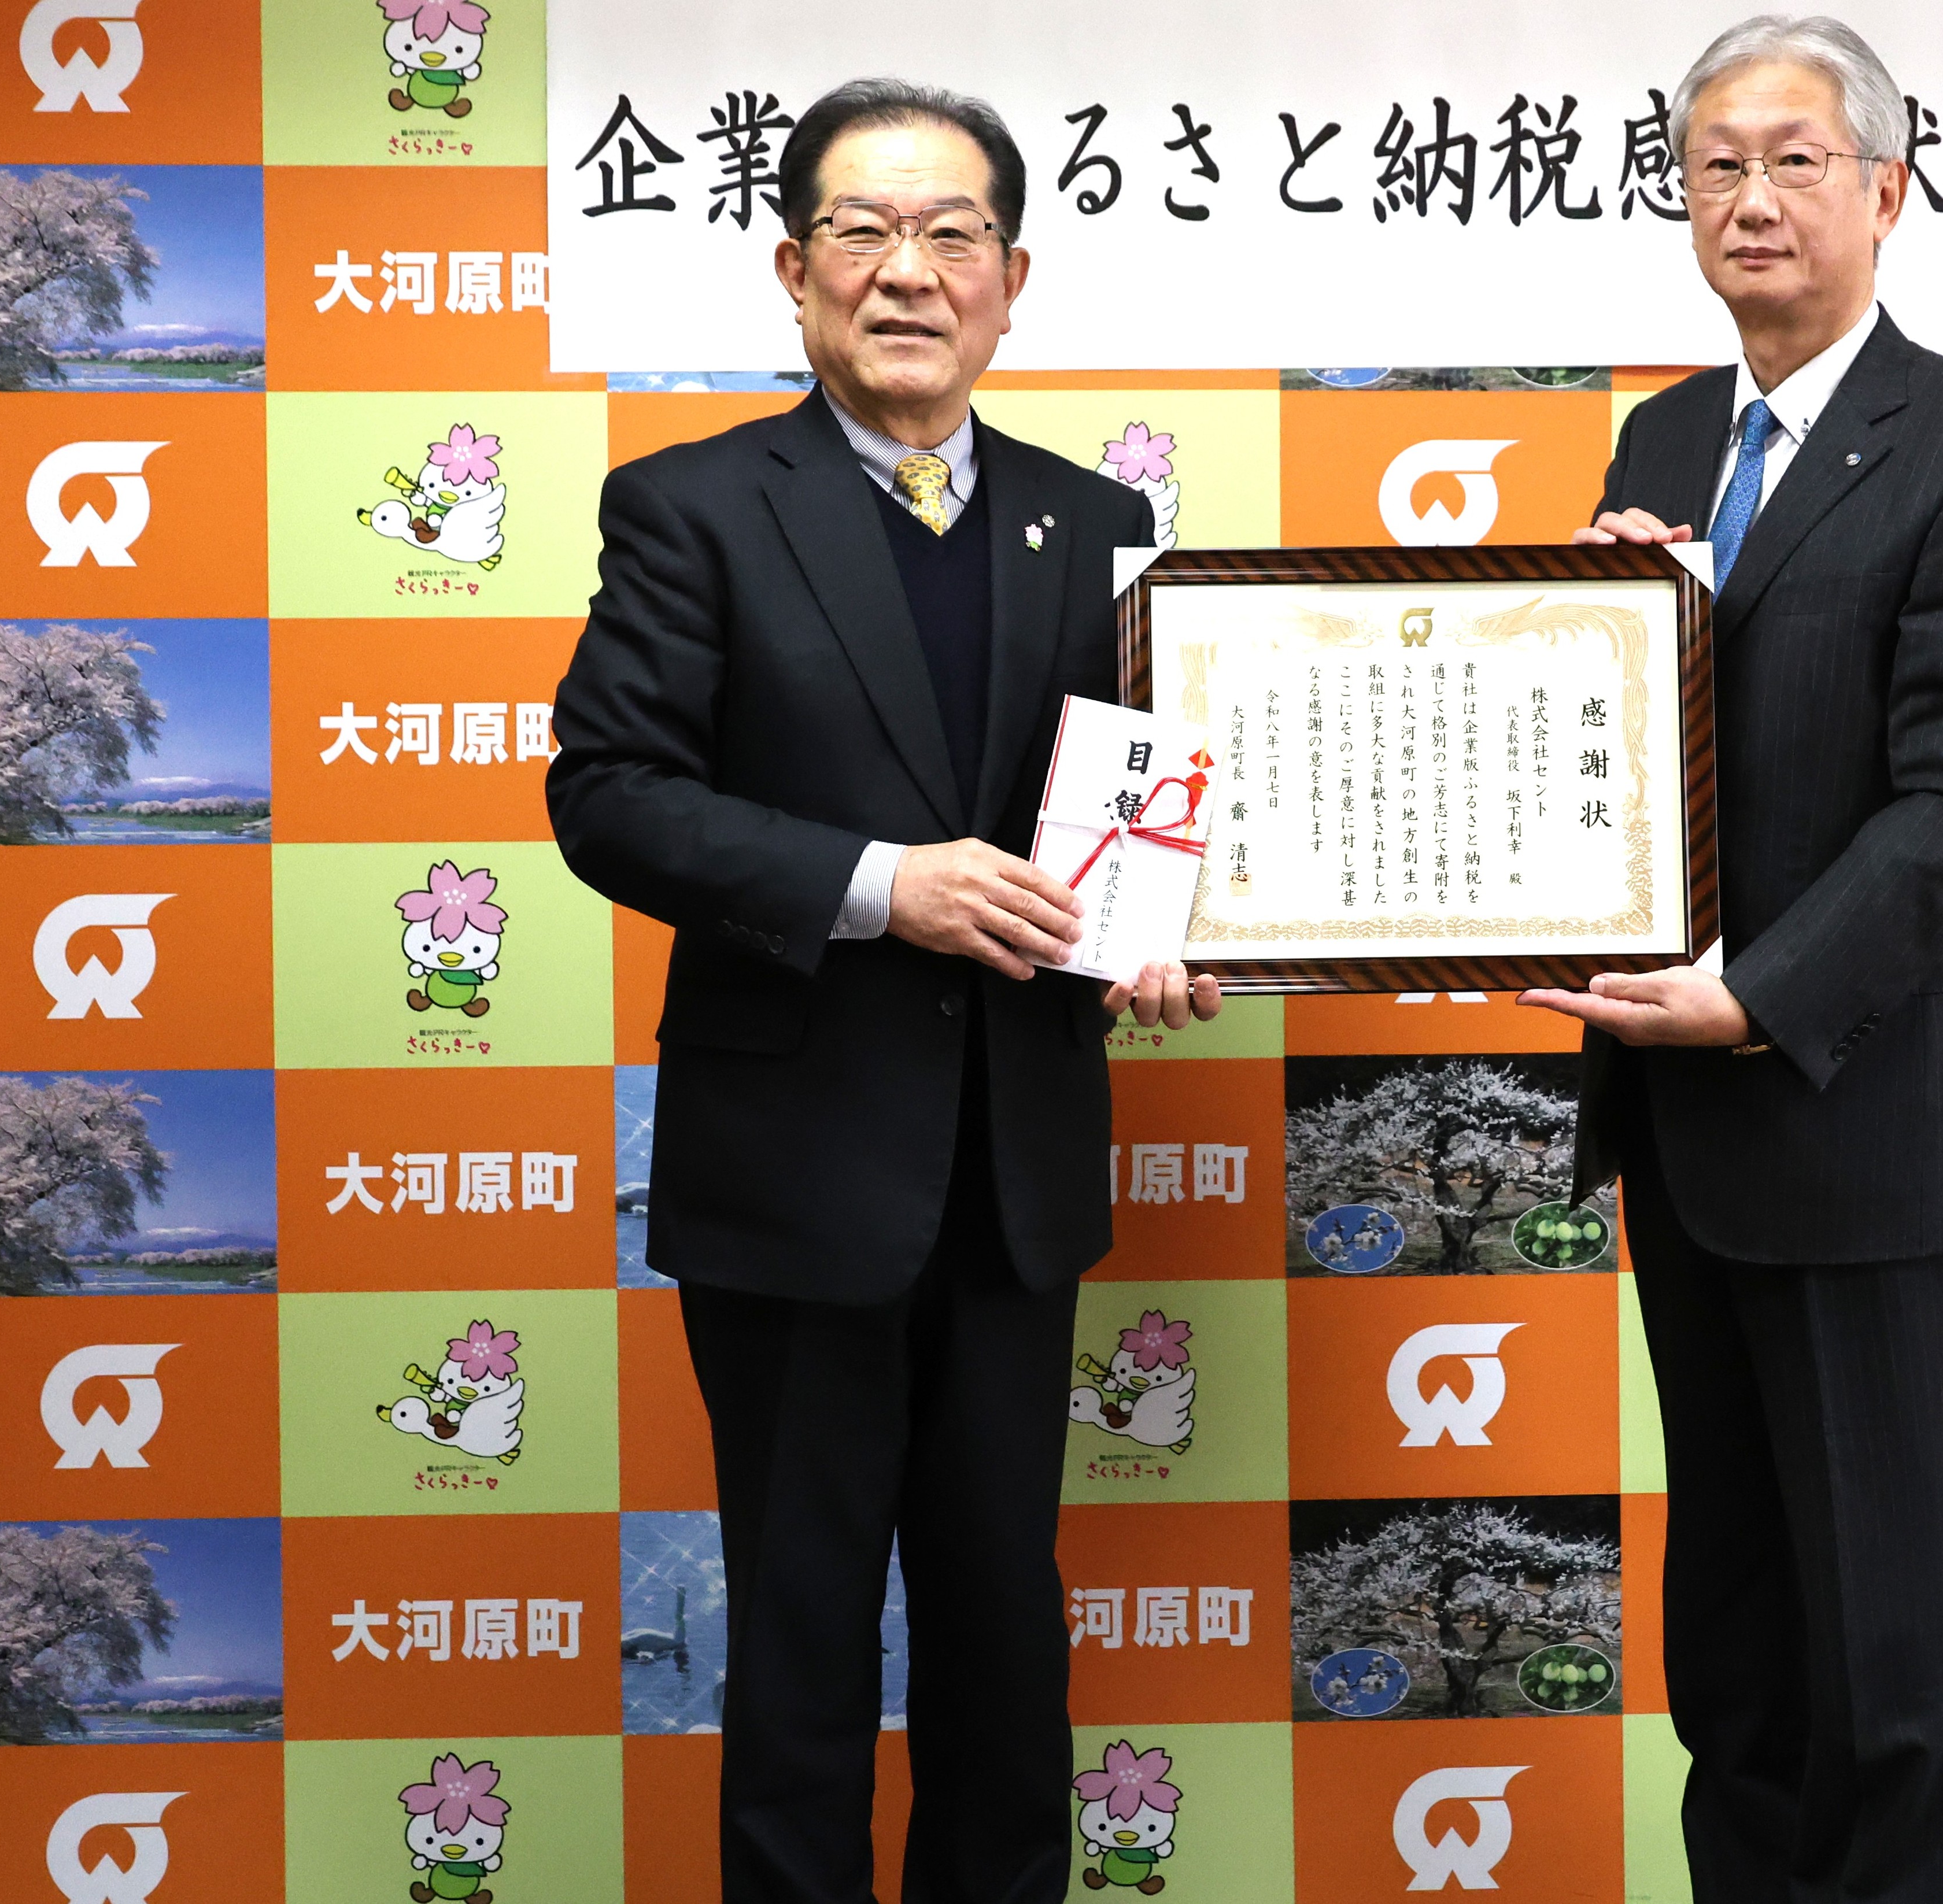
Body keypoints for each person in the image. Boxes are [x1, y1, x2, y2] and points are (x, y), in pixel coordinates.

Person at [545, 79, 1217, 1904]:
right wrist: (876, 887)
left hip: (1013, 1177)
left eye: (949, 235)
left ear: (1012, 278)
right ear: (794, 270)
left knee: (1006, 1633)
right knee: (800, 1636)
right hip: (795, 1175)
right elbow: (610, 796)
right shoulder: (690, 508)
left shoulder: (1101, 522)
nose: (906, 272)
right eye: (863, 231)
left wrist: (1161, 924)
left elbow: (1134, 814)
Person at [1520, 16, 1943, 1902]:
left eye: (1792, 159)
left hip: (1862, 1115)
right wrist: (1586, 630)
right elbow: (1636, 758)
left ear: (1885, 190)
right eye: (1714, 165)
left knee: (1883, 1666)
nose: (1749, 199)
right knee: (1735, 1654)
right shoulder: (1665, 437)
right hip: (1684, 1131)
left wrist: (1759, 996)